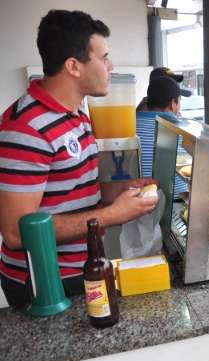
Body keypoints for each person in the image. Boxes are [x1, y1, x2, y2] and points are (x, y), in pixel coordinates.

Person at [0, 10, 158, 307]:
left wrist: (121, 193)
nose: (110, 66)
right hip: (46, 283)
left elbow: (75, 188)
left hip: (82, 268)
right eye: (104, 57)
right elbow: (16, 233)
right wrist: (113, 215)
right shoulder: (26, 128)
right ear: (73, 66)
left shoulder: (77, 114)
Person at [136, 76, 191, 197]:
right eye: (179, 101)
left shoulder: (130, 124)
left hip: (134, 201)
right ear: (173, 103)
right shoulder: (183, 131)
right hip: (174, 201)